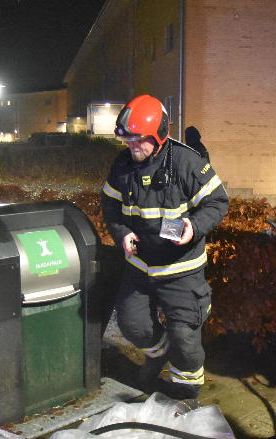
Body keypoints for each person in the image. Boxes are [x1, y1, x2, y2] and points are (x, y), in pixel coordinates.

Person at [101, 94, 229, 400]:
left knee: (185, 336)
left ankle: (185, 391)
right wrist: (121, 233)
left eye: (139, 141)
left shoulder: (187, 163)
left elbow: (218, 202)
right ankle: (159, 355)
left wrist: (194, 226)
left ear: (158, 136)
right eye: (128, 141)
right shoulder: (122, 167)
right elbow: (110, 207)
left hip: (181, 270)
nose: (133, 148)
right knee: (133, 325)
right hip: (140, 269)